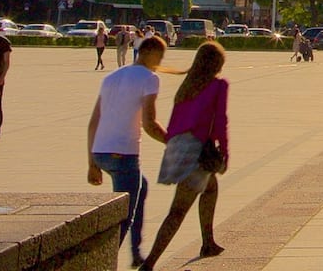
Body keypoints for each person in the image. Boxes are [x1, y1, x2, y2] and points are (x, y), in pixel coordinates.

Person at [141, 41, 230, 270]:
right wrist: (224, 152)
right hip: (195, 149)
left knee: (210, 188)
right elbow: (220, 122)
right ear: (217, 63)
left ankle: (208, 242)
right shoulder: (218, 85)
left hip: (176, 146)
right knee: (178, 211)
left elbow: (175, 121)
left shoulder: (187, 86)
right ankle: (149, 264)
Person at [86, 36, 170, 265]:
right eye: (160, 56)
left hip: (101, 152)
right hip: (123, 155)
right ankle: (101, 264)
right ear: (150, 53)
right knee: (123, 217)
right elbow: (149, 123)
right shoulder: (149, 78)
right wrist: (172, 142)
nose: (160, 62)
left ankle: (135, 253)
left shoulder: (112, 77)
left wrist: (92, 163)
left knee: (141, 189)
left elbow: (93, 122)